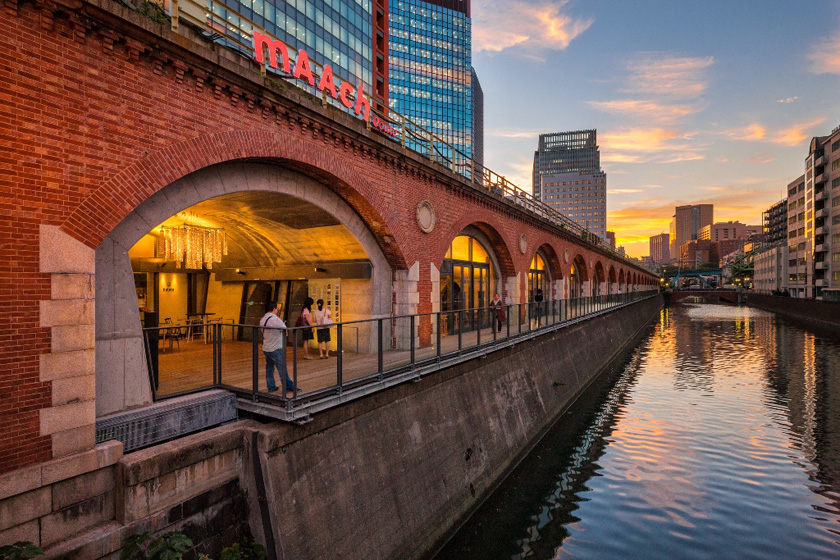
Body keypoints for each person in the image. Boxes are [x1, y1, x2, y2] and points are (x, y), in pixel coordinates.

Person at [260, 301, 297, 394]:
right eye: (276, 308)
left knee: (269, 368)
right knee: (282, 368)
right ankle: (288, 386)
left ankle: (271, 386)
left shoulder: (263, 319)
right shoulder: (275, 319)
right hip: (276, 347)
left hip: (266, 347)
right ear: (274, 309)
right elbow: (285, 330)